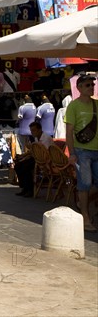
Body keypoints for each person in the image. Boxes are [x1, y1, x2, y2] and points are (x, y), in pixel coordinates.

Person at [65, 74, 98, 232]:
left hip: (97, 150)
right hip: (82, 151)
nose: (91, 87)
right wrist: (71, 153)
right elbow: (69, 131)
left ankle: (81, 203)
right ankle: (85, 217)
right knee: (84, 184)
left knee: (91, 185)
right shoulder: (73, 106)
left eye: (92, 84)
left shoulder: (96, 104)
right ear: (79, 88)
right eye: (87, 85)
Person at [13, 121, 54, 198]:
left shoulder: (46, 138)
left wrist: (32, 149)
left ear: (40, 130)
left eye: (34, 130)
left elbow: (45, 152)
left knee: (26, 167)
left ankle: (30, 190)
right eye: (31, 131)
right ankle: (24, 188)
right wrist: (23, 156)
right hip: (37, 158)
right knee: (18, 165)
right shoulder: (36, 138)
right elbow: (34, 151)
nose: (32, 132)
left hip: (45, 160)